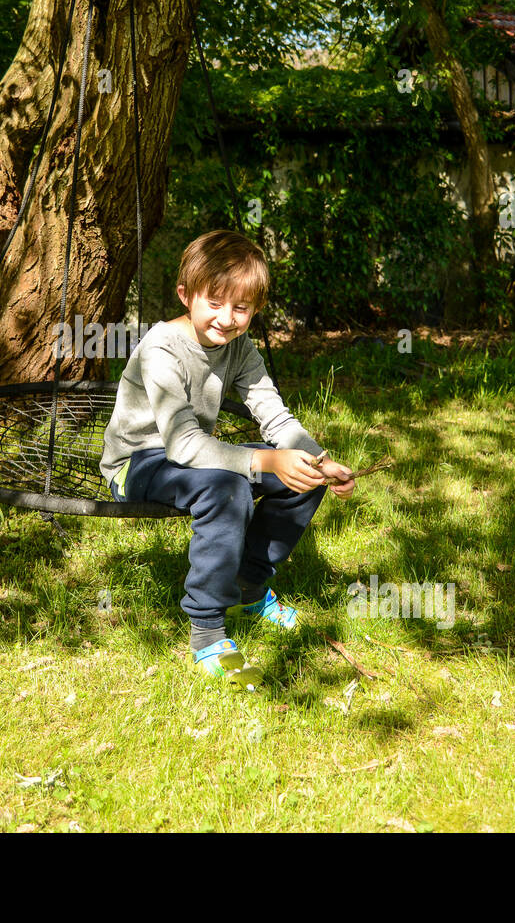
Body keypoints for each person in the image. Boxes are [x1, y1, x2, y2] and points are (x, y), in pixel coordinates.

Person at [99, 230, 355, 686]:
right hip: (138, 463)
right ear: (185, 295)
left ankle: (249, 586)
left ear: (254, 310)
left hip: (193, 454)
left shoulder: (239, 348)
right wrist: (264, 462)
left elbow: (272, 413)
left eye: (241, 308)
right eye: (215, 302)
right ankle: (207, 630)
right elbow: (181, 445)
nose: (226, 318)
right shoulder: (160, 348)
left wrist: (317, 460)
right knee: (229, 486)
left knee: (299, 476)